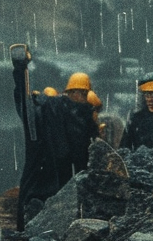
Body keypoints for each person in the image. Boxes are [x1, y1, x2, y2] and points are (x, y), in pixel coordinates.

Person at [11, 46, 99, 230]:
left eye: (83, 94)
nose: (80, 97)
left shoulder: (59, 114)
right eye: (79, 93)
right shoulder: (63, 115)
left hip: (47, 185)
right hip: (49, 185)